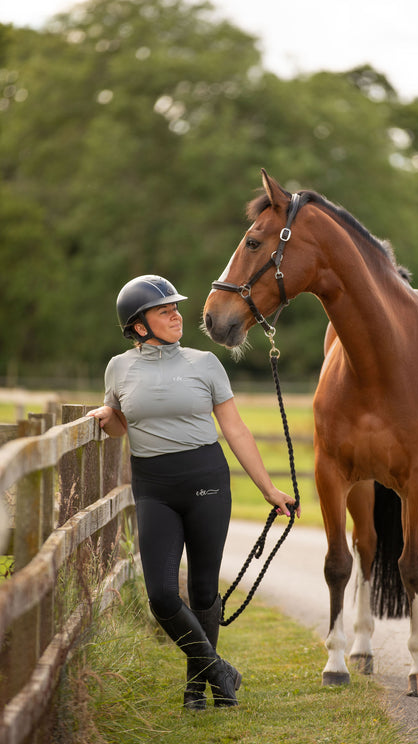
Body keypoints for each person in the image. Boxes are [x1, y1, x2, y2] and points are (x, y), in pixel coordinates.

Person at [87, 275, 300, 710]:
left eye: (175, 307)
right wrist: (108, 414)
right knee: (162, 595)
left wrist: (269, 489)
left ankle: (197, 690)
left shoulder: (205, 363)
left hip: (206, 479)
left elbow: (235, 429)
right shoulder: (118, 368)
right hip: (153, 488)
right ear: (138, 325)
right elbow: (125, 423)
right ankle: (218, 669)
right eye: (164, 310)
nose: (176, 314)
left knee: (204, 591)